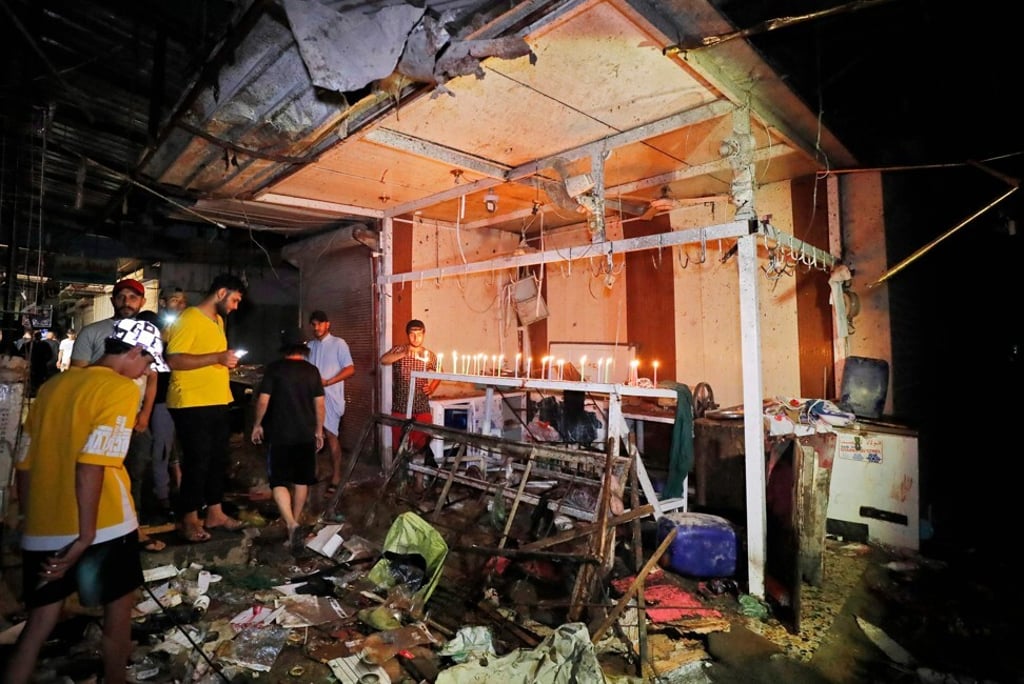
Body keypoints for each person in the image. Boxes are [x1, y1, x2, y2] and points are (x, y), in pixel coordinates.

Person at [4, 318, 169, 684]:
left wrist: (31, 518)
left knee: (37, 628)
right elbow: (91, 465)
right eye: (147, 362)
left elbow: (24, 465)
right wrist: (85, 536)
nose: (146, 372)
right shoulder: (121, 390)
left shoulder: (53, 387)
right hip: (105, 527)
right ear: (135, 351)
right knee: (117, 622)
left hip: (44, 528)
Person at [71, 278, 160, 543]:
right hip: (97, 419)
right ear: (112, 300)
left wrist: (144, 415)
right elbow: (77, 376)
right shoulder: (93, 332)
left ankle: (131, 529)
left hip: (134, 419)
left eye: (133, 297)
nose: (126, 302)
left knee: (133, 476)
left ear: (142, 302)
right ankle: (95, 530)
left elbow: (153, 379)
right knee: (98, 473)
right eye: (121, 296)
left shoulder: (148, 335)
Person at [164, 273, 247, 543]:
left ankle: (215, 512)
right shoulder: (189, 318)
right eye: (234, 300)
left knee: (217, 459)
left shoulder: (218, 320)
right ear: (221, 293)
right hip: (191, 401)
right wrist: (217, 357)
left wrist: (224, 361)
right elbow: (174, 360)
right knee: (197, 461)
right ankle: (188, 519)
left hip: (217, 399)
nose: (235, 306)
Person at [250, 327, 324, 550]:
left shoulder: (275, 369)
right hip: (305, 434)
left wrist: (257, 424)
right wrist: (319, 430)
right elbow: (320, 404)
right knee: (302, 480)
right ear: (303, 347)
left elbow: (263, 400)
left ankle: (291, 523)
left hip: (279, 434)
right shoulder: (312, 371)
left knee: (279, 480)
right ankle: (296, 521)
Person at [306, 310, 354, 494]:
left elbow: (350, 369)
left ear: (328, 324)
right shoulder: (310, 346)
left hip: (331, 397)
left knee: (331, 436)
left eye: (320, 323)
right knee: (313, 436)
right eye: (314, 324)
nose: (317, 327)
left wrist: (328, 382)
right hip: (312, 398)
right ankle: (314, 472)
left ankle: (336, 476)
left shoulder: (338, 343)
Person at [137, 310, 177, 520]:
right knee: (159, 451)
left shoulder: (162, 349)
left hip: (156, 404)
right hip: (158, 404)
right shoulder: (160, 349)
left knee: (158, 451)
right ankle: (160, 497)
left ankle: (159, 496)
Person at [380, 319, 440, 455]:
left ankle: (419, 468)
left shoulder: (428, 355)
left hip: (421, 405)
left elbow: (440, 372)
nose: (416, 338)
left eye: (419, 334)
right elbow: (383, 360)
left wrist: (432, 387)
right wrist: (403, 354)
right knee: (400, 444)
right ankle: (401, 467)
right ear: (407, 335)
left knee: (422, 443)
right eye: (412, 334)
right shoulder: (399, 350)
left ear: (424, 334)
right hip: (401, 405)